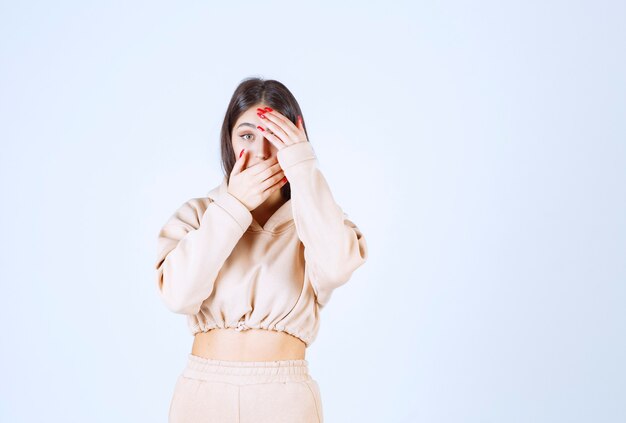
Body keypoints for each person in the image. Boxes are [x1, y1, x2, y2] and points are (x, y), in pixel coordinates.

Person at [155, 77, 368, 423]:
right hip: (204, 395)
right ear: (229, 140)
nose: (263, 151)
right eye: (248, 135)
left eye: (277, 135)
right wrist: (232, 207)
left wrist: (302, 167)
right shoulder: (197, 214)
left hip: (285, 398)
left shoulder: (315, 219)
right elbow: (178, 296)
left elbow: (337, 267)